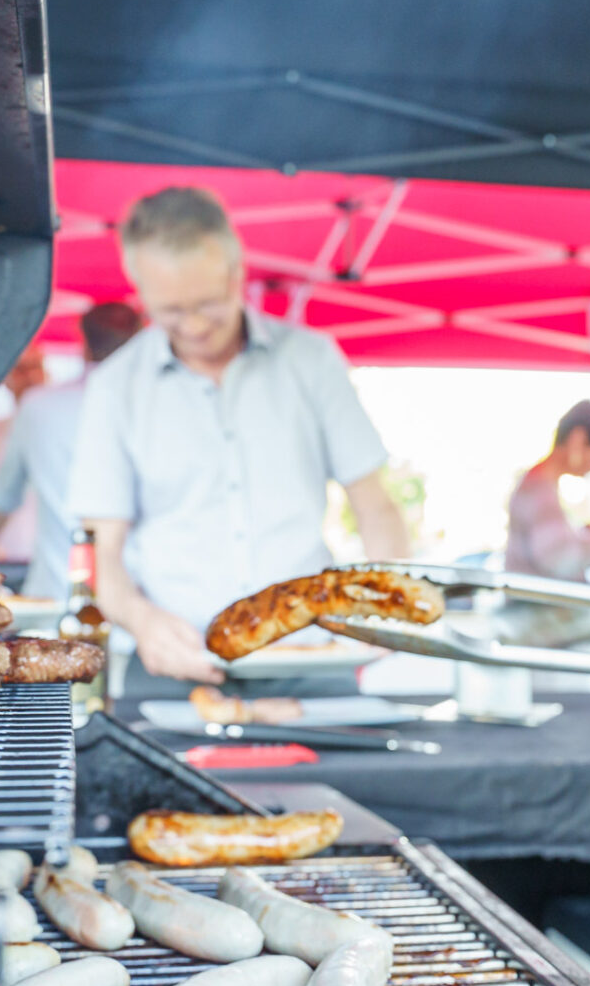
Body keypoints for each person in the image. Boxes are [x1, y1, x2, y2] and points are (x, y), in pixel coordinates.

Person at [68, 186, 409, 688]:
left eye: (209, 303)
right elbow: (102, 552)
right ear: (140, 291)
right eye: (171, 311)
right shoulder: (114, 387)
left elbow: (375, 506)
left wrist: (383, 608)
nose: (196, 326)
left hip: (307, 657)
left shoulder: (311, 360)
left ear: (237, 273)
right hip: (174, 660)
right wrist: (143, 621)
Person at [0, 302, 144, 598]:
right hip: (142, 601)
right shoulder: (158, 409)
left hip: (54, 595)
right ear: (142, 340)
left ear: (84, 342)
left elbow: (4, 497)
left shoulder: (39, 406)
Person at [505, 400, 590, 580]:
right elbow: (560, 560)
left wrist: (588, 535)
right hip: (537, 607)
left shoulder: (540, 483)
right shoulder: (538, 489)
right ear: (578, 439)